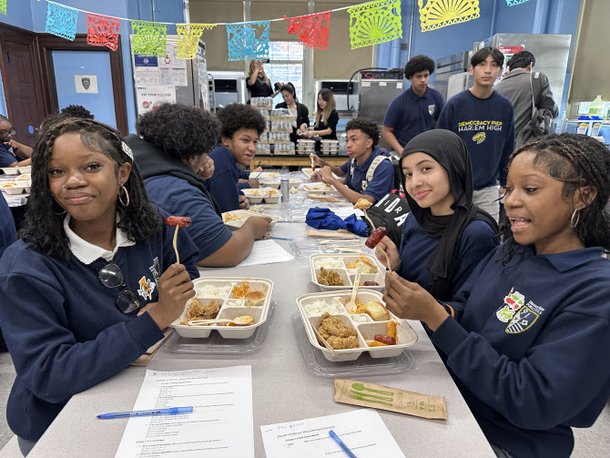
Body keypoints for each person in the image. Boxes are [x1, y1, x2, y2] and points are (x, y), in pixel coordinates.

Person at [383, 133, 610, 457]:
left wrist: (436, 318)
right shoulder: (514, 252)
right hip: (451, 398)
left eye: (530, 189)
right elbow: (468, 310)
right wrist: (428, 309)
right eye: (509, 189)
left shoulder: (595, 291)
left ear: (583, 196)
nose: (511, 201)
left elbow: (531, 399)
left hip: (503, 440)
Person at [0, 117, 199, 454]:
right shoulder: (27, 267)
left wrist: (176, 293)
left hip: (140, 391)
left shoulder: (150, 224)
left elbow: (187, 269)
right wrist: (153, 320)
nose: (73, 181)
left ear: (122, 173)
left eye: (91, 166)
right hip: (61, 421)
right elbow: (48, 374)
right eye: (56, 171)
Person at [128, 103, 272, 267]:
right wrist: (252, 227)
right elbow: (228, 251)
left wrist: (193, 172)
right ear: (192, 155)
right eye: (205, 152)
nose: (208, 159)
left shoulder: (144, 164)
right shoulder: (176, 192)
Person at [375, 129, 498, 301]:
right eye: (408, 174)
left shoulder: (476, 233)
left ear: (454, 167)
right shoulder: (414, 219)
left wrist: (426, 311)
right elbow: (410, 281)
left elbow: (471, 310)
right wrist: (395, 264)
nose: (415, 183)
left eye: (426, 169)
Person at [437, 46, 515, 222]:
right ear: (472, 69)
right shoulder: (455, 105)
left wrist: (506, 182)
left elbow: (508, 147)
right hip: (456, 187)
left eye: (494, 65)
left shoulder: (504, 107)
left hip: (489, 189)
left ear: (501, 71)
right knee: (453, 237)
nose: (488, 70)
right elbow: (440, 147)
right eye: (482, 64)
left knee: (488, 236)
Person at [312, 117, 394, 205]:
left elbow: (366, 202)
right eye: (347, 140)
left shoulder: (383, 166)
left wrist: (332, 180)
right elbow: (345, 178)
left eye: (354, 139)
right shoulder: (355, 160)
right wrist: (325, 179)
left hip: (373, 216)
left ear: (369, 143)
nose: (348, 145)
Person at [207, 103, 267, 212]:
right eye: (245, 140)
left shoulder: (223, 156)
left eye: (255, 142)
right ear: (225, 139)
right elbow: (228, 215)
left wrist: (239, 197)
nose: (252, 148)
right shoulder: (222, 160)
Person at [495, 50, 559, 148]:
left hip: (499, 148)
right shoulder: (538, 79)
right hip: (524, 149)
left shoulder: (496, 88)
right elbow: (552, 108)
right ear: (530, 65)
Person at [382, 55, 445, 153]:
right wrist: (402, 152)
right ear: (410, 77)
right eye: (419, 76)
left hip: (427, 151)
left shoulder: (436, 97)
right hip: (405, 151)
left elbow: (443, 124)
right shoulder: (399, 103)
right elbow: (386, 131)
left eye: (426, 75)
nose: (423, 80)